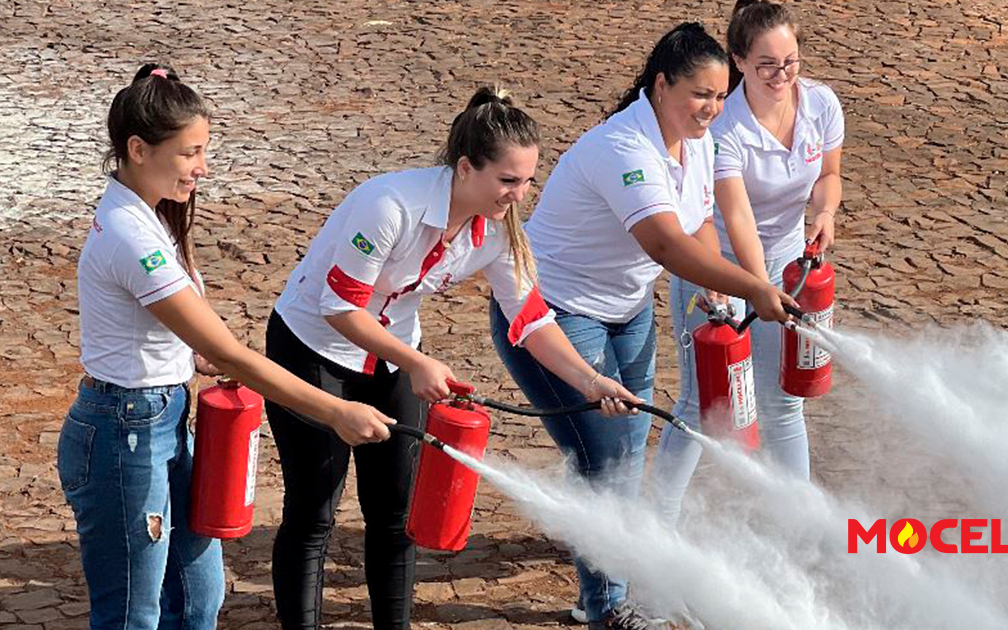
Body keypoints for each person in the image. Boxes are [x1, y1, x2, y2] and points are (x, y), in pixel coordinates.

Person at [265, 86, 640, 630]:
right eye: (508, 180)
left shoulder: (500, 231)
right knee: (314, 511)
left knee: (395, 514)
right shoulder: (389, 205)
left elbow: (531, 321)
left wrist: (590, 381)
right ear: (466, 168)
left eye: (529, 179)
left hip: (391, 357)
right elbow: (337, 308)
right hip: (313, 347)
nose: (520, 194)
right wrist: (417, 363)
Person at [58, 63, 394, 630]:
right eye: (190, 152)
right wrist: (337, 411)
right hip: (125, 432)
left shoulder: (149, 216)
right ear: (138, 149)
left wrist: (188, 357)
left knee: (199, 596)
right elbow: (234, 354)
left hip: (160, 418)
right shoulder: (130, 235)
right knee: (133, 615)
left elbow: (179, 338)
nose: (202, 167)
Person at [489, 23, 798, 630]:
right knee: (603, 461)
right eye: (699, 95)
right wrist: (755, 288)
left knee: (629, 451)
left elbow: (699, 220)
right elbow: (663, 243)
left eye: (719, 96)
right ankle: (609, 608)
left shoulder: (696, 139)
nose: (711, 108)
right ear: (660, 86)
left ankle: (609, 586)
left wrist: (715, 281)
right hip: (552, 315)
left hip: (625, 312)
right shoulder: (623, 148)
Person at [653, 0, 846, 524]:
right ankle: (657, 524)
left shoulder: (822, 104)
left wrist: (824, 211)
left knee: (783, 400)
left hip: (789, 266)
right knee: (701, 405)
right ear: (738, 60)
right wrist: (758, 289)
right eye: (767, 65)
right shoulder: (727, 127)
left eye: (791, 62)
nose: (781, 75)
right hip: (717, 267)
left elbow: (829, 175)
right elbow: (735, 216)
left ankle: (796, 524)